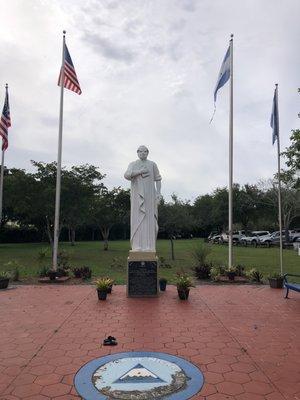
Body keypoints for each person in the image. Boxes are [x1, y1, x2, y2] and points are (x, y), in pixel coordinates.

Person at [124, 145, 162, 252]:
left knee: (149, 220)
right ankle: (137, 245)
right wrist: (139, 172)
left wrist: (158, 194)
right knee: (137, 219)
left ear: (148, 152)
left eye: (145, 152)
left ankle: (149, 246)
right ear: (137, 152)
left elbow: (158, 179)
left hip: (150, 196)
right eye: (140, 151)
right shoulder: (133, 164)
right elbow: (126, 175)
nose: (143, 153)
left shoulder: (152, 164)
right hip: (137, 197)